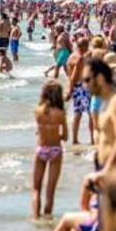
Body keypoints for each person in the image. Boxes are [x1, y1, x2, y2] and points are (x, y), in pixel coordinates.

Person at [83, 59, 116, 179]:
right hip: (109, 169)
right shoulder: (106, 104)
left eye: (87, 80)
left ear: (100, 78)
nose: (85, 85)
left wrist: (106, 170)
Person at [32, 80, 67, 220]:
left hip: (41, 149)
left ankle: (35, 217)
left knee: (36, 189)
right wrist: (56, 134)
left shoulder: (37, 111)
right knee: (50, 191)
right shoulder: (60, 113)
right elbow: (65, 136)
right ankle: (47, 218)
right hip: (55, 150)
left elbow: (38, 131)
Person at [65, 37, 92, 145]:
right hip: (81, 87)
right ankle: (92, 139)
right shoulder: (80, 58)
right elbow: (74, 77)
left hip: (76, 87)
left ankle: (75, 139)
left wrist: (70, 89)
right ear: (85, 46)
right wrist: (69, 91)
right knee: (90, 113)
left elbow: (69, 74)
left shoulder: (71, 56)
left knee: (78, 113)